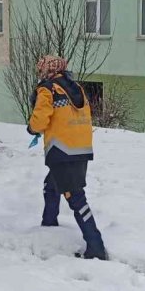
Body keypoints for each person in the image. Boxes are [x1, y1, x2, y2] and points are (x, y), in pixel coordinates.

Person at [27, 55, 108, 260]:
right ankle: (49, 223)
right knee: (51, 184)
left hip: (61, 149)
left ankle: (95, 245)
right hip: (81, 148)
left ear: (47, 70)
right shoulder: (77, 88)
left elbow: (40, 119)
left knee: (76, 197)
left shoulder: (48, 89)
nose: (39, 73)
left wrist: (32, 128)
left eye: (41, 69)